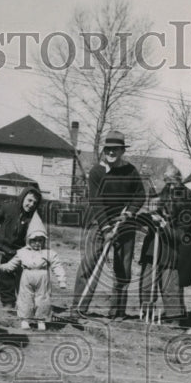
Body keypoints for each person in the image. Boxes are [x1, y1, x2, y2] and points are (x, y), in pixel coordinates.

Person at [72, 131, 146, 319]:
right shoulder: (97, 172)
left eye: (115, 149)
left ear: (122, 151)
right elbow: (96, 201)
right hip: (100, 222)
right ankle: (78, 308)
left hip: (124, 223)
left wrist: (129, 213)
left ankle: (117, 311)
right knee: (89, 265)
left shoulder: (131, 171)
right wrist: (105, 228)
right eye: (108, 149)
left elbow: (140, 196)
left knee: (123, 269)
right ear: (105, 150)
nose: (111, 152)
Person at [137, 165, 191, 323]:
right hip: (154, 244)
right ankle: (146, 313)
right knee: (146, 282)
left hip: (172, 246)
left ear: (179, 180)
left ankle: (175, 317)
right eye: (167, 182)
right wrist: (149, 215)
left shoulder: (187, 197)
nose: (170, 186)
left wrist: (166, 226)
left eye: (172, 182)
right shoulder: (163, 193)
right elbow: (153, 211)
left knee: (170, 285)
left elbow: (184, 227)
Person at [0, 187, 44, 310]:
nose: (31, 205)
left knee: (22, 280)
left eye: (34, 203)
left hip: (20, 252)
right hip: (2, 249)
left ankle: (25, 305)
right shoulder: (8, 208)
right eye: (29, 200)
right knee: (3, 278)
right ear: (23, 197)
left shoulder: (34, 218)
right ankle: (8, 304)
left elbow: (38, 235)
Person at [0, 226, 68, 331]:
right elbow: (12, 264)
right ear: (29, 240)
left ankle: (41, 320)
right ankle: (25, 320)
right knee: (25, 297)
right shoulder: (22, 252)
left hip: (42, 276)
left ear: (44, 241)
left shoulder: (49, 253)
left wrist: (61, 280)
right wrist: (2, 267)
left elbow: (57, 266)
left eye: (40, 240)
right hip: (27, 275)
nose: (37, 243)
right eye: (34, 240)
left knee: (43, 298)